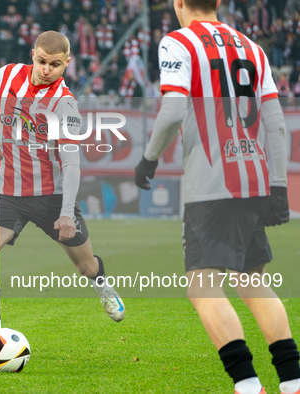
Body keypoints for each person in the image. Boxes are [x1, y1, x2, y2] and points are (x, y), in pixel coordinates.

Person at [134, 1, 299, 394]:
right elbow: (277, 124)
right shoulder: (251, 46)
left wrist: (149, 158)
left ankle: (247, 384)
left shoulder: (178, 42)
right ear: (220, 2)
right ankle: (293, 382)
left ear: (178, 3)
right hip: (254, 176)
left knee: (202, 286)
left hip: (211, 183)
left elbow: (173, 112)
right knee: (252, 280)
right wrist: (277, 184)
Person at [0, 31, 125, 345]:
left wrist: (66, 213)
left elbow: (72, 163)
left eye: (55, 64)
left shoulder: (65, 106)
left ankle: (102, 285)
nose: (46, 69)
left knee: (85, 265)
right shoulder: (7, 75)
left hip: (52, 196)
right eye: (41, 61)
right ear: (32, 54)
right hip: (7, 191)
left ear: (67, 64)